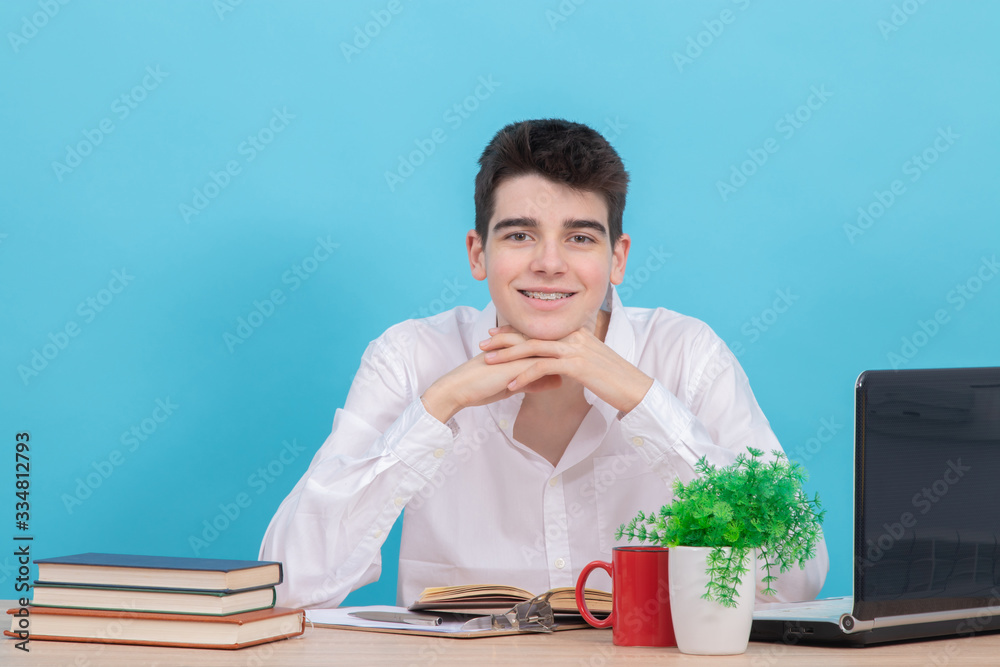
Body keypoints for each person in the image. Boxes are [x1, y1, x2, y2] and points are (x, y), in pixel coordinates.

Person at [259, 118, 829, 609]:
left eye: (580, 237)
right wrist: (438, 406)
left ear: (617, 258)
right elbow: (289, 583)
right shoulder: (409, 357)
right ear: (478, 254)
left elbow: (794, 579)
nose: (549, 263)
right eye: (520, 235)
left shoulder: (687, 354)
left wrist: (643, 401)